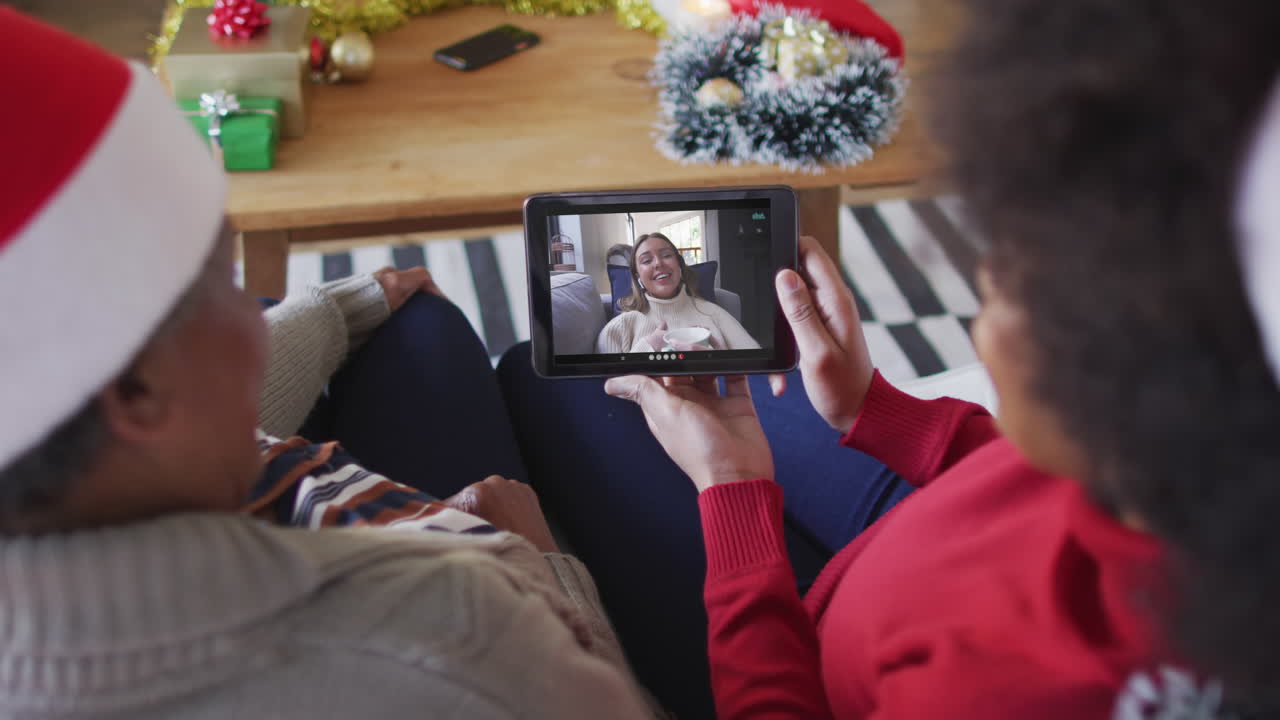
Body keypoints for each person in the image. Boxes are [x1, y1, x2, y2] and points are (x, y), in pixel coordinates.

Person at [509, 0, 1280, 717]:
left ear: (1150, 386)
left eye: (1018, 276)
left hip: (793, 644)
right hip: (916, 535)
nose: (986, 280)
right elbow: (1027, 473)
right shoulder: (1171, 477)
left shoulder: (1004, 689)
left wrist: (733, 488)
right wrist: (871, 408)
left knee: (530, 374)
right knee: (554, 378)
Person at [0, 9, 660, 719]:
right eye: (225, 284)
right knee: (535, 371)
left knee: (419, 320)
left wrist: (333, 311)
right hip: (503, 584)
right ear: (134, 392)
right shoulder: (457, 640)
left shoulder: (66, 458)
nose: (256, 321)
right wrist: (537, 563)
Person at [596, 232, 761, 353]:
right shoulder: (623, 325)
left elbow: (759, 371)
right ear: (638, 277)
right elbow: (605, 390)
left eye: (666, 255)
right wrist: (648, 345)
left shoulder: (714, 313)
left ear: (680, 267)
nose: (658, 263)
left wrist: (724, 364)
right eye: (647, 260)